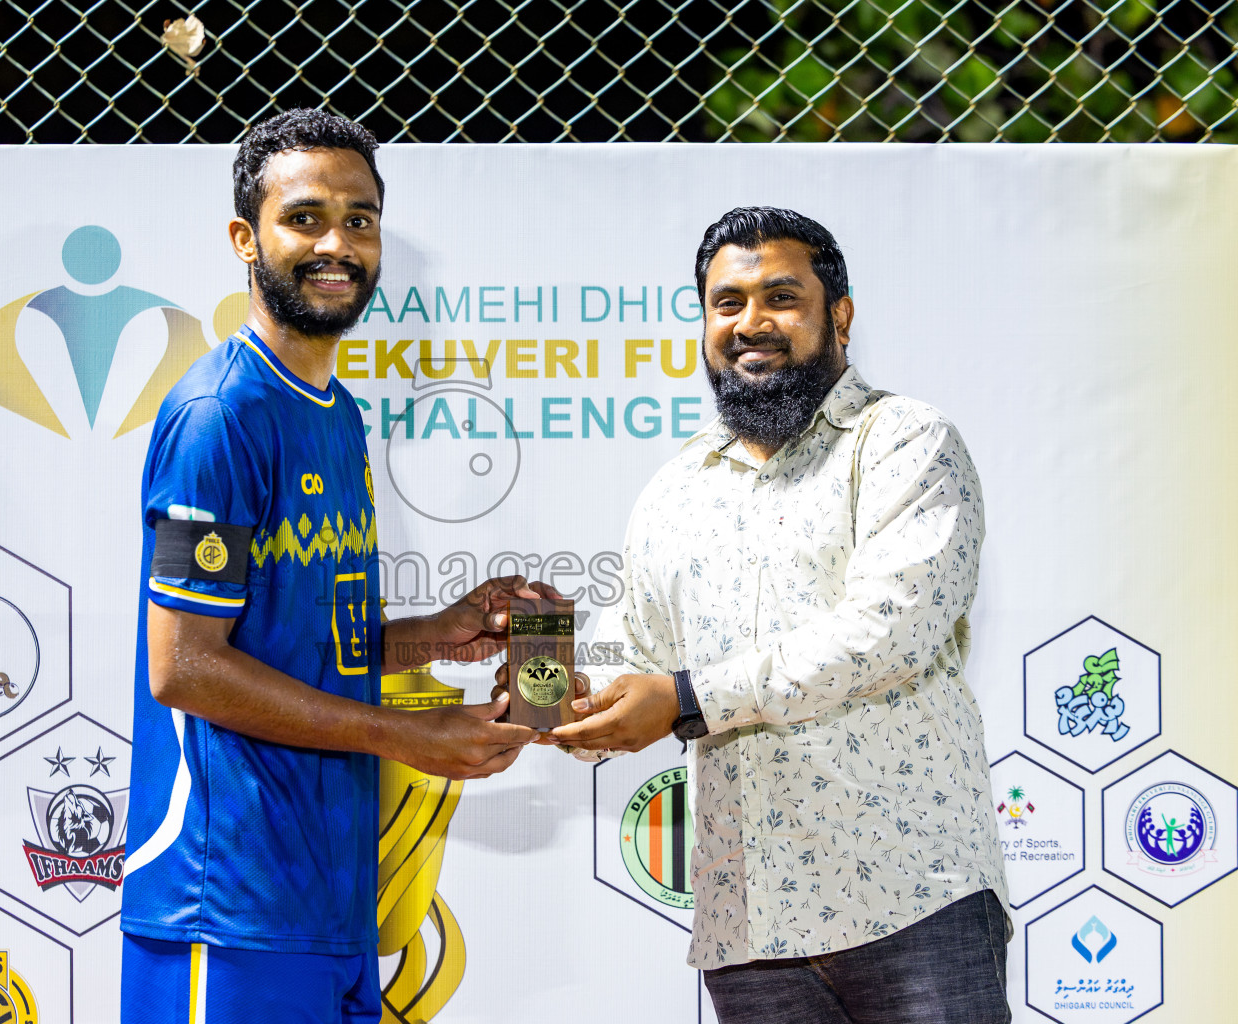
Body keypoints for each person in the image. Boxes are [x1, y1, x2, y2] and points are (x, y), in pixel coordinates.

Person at [533, 207, 1012, 1023]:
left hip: (912, 895)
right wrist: (551, 686)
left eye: (781, 298)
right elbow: (634, 656)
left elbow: (889, 631)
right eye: (727, 303)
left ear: (840, 317)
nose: (750, 323)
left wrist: (686, 697)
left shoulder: (903, 440)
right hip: (748, 924)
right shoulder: (677, 488)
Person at [119, 109, 542, 1024]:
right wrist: (402, 735)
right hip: (223, 903)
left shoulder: (336, 412)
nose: (336, 245)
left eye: (359, 220)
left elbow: (305, 642)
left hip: (331, 898)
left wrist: (436, 634)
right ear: (245, 239)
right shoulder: (218, 417)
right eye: (304, 218)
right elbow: (184, 667)